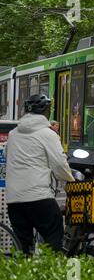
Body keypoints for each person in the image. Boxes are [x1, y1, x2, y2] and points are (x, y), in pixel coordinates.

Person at [5, 94, 75, 254]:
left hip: (14, 199)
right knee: (54, 234)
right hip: (39, 197)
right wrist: (69, 179)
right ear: (46, 112)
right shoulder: (48, 134)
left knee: (22, 245)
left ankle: (24, 275)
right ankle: (49, 273)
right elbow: (59, 164)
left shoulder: (13, 134)